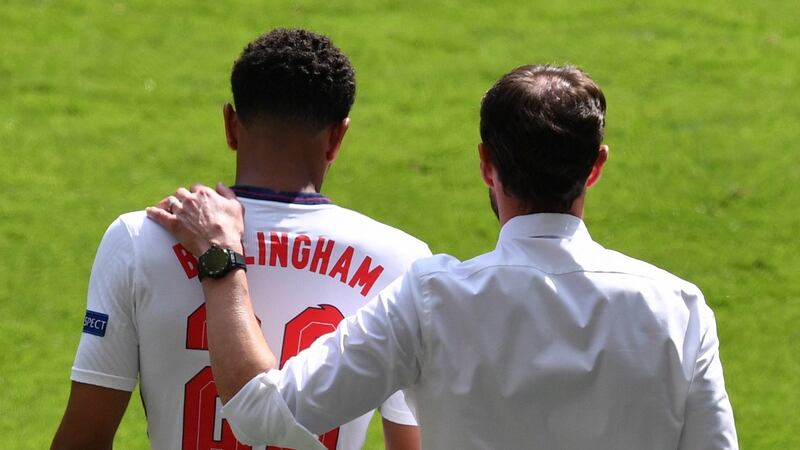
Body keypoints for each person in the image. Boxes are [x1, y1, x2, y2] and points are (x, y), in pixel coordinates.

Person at [148, 65, 739, 449]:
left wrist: (223, 258)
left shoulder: (432, 298)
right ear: (597, 165)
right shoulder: (680, 308)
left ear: (486, 163)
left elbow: (258, 412)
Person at [51, 28, 429, 450]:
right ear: (338, 138)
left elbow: (84, 437)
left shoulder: (138, 239)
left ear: (231, 124)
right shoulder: (402, 261)